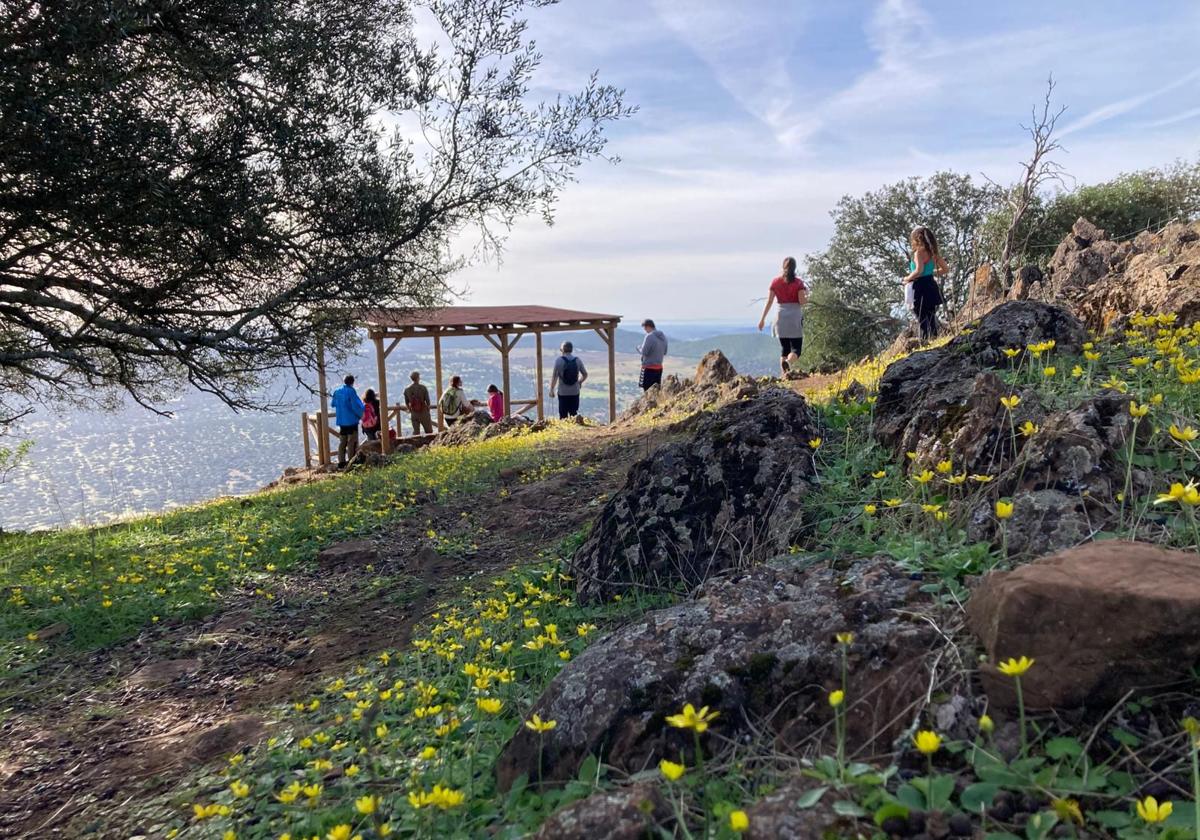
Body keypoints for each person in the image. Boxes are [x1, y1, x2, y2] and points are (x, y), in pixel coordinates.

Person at [757, 256, 809, 376]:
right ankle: (788, 361)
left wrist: (762, 319)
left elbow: (769, 301)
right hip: (794, 317)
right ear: (794, 268)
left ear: (783, 267)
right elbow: (802, 302)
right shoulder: (798, 283)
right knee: (796, 350)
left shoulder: (775, 282)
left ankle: (784, 375)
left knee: (784, 349)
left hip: (781, 317)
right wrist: (807, 294)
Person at [903, 226, 949, 341]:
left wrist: (907, 278)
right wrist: (931, 272)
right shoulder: (933, 253)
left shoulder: (918, 253)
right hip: (931, 285)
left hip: (919, 287)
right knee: (931, 315)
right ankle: (935, 338)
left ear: (916, 239)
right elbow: (945, 269)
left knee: (921, 317)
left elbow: (919, 270)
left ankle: (925, 342)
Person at [330, 374, 364, 467]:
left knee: (342, 442)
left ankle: (341, 462)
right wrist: (362, 414)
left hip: (341, 421)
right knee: (351, 442)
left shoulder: (337, 391)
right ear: (352, 382)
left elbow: (332, 404)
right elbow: (356, 406)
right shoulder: (351, 391)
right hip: (351, 421)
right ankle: (351, 462)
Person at [549, 340, 588, 419]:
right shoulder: (577, 360)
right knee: (574, 414)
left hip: (563, 392)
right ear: (571, 349)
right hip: (575, 391)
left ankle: (565, 430)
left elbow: (554, 377)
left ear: (562, 349)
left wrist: (551, 389)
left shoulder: (558, 361)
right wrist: (579, 382)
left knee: (563, 415)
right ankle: (574, 429)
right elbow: (585, 374)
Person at [637, 319, 668, 391]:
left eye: (645, 328)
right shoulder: (663, 337)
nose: (645, 330)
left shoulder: (649, 336)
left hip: (648, 369)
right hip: (659, 368)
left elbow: (644, 352)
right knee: (656, 391)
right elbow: (665, 352)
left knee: (647, 392)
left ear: (648, 326)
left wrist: (639, 348)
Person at [403, 370, 434, 435]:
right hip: (424, 412)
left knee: (416, 432)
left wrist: (410, 409)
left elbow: (406, 402)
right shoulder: (423, 388)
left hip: (414, 413)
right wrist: (428, 409)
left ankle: (416, 444)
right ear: (418, 378)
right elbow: (428, 401)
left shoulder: (407, 389)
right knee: (429, 432)